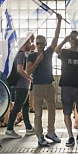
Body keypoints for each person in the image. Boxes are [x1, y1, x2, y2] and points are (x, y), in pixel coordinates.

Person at [28, 14, 63, 146]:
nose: (40, 45)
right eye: (38, 43)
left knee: (52, 110)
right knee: (38, 113)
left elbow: (56, 39)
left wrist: (59, 22)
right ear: (35, 44)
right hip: (37, 87)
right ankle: (39, 136)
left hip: (49, 85)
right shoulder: (32, 56)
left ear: (45, 44)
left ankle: (51, 132)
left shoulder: (48, 53)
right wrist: (37, 62)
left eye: (42, 43)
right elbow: (28, 72)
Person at [56, 31, 78, 146]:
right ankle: (70, 136)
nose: (74, 41)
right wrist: (64, 40)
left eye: (76, 39)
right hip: (67, 85)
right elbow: (56, 50)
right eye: (72, 38)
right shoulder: (65, 52)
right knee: (67, 111)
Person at [4, 38, 34, 139]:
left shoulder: (21, 54)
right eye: (29, 43)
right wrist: (30, 78)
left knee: (25, 107)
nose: (30, 44)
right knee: (17, 107)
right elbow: (20, 70)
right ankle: (9, 128)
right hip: (22, 85)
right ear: (24, 44)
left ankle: (28, 127)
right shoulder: (21, 55)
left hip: (24, 85)